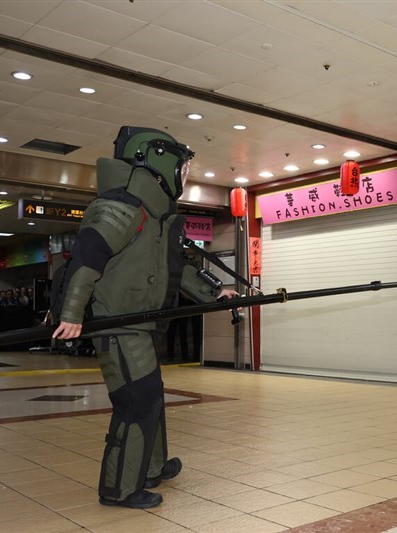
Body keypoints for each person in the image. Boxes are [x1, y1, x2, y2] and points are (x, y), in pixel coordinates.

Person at [52, 126, 237, 510]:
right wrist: (70, 314)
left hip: (144, 325)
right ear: (155, 158)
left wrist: (215, 292)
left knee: (150, 397)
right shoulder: (121, 207)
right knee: (136, 403)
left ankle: (151, 467)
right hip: (119, 326)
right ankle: (120, 489)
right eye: (181, 164)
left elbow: (177, 269)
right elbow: (88, 258)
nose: (184, 174)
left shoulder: (155, 214)